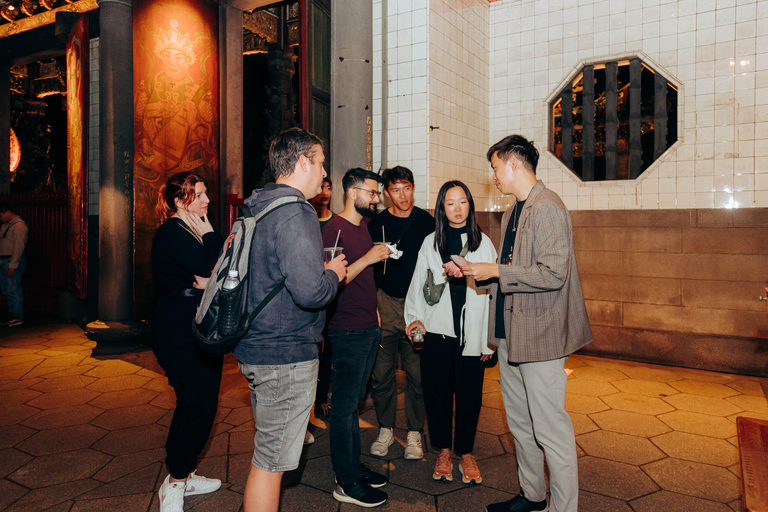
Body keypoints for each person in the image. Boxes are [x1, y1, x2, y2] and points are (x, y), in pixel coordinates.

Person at [459, 135, 592, 512]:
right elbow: (515, 272)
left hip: (541, 335)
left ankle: (563, 508)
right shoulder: (512, 211)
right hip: (511, 335)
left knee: (551, 430)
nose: (494, 176)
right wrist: (476, 272)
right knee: (521, 425)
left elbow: (553, 273)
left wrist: (496, 269)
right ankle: (533, 496)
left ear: (514, 164)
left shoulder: (547, 206)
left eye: (495, 167)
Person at [234, 128, 347, 512]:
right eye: (321, 162)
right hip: (284, 355)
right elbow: (311, 292)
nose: (323, 172)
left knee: (267, 452)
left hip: (256, 345)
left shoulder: (256, 205)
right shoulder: (296, 211)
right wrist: (333, 272)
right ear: (303, 163)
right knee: (270, 464)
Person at [403, 181, 496, 485]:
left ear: (470, 205)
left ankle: (466, 453)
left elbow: (495, 293)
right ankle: (443, 450)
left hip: (473, 337)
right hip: (437, 336)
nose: (457, 209)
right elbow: (418, 286)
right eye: (450, 203)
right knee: (438, 396)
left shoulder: (484, 244)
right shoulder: (431, 242)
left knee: (470, 398)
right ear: (442, 209)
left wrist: (490, 341)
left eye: (463, 202)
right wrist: (414, 320)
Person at [150, 172, 224, 512]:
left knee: (206, 404)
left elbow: (225, 270)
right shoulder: (170, 232)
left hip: (204, 328)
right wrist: (211, 245)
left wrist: (209, 280)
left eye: (206, 192)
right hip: (176, 331)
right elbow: (212, 262)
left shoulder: (197, 228)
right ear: (180, 201)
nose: (206, 199)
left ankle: (187, 472)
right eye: (198, 195)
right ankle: (175, 481)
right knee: (194, 404)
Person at [321, 168, 393, 508]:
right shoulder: (334, 229)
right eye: (373, 192)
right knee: (344, 408)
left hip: (367, 325)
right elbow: (331, 280)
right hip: (346, 330)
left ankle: (353, 467)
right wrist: (369, 258)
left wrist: (375, 311)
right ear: (353, 193)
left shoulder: (362, 227)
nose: (377, 198)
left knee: (353, 406)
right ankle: (345, 481)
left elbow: (364, 282)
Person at [367, 165, 434, 460]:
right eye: (395, 189)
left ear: (414, 187)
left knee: (417, 373)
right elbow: (367, 269)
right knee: (381, 374)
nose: (402, 195)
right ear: (386, 193)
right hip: (385, 303)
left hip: (416, 307)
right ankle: (385, 428)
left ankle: (415, 432)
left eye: (406, 188)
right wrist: (372, 304)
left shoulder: (426, 222)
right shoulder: (377, 223)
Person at [311, 175, 335, 419]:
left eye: (329, 187)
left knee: (329, 352)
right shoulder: (307, 220)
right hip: (311, 290)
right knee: (312, 352)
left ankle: (322, 399)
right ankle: (311, 402)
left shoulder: (335, 222)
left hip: (332, 292)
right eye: (321, 187)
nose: (325, 192)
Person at [0, 204, 28, 327]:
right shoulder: (6, 225)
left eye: (1, 215)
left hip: (12, 260)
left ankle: (17, 315)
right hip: (4, 259)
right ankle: (12, 313)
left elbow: (18, 247)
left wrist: (13, 264)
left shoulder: (19, 226)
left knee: (13, 288)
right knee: (6, 288)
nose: (0, 218)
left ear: (7, 212)